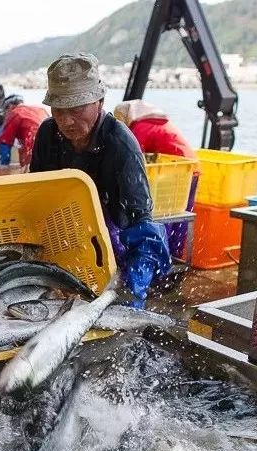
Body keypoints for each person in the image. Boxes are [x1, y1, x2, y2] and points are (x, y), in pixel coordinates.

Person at [29, 53, 170, 308]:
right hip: (63, 238)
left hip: (113, 245)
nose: (66, 120)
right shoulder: (48, 133)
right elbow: (36, 195)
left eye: (77, 108)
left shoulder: (120, 144)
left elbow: (141, 224)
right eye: (59, 109)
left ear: (100, 101)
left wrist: (132, 289)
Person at [115, 99, 197, 261]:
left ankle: (159, 256)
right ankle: (174, 253)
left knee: (164, 215)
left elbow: (131, 157)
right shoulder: (155, 122)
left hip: (177, 171)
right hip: (189, 169)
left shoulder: (139, 128)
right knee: (180, 214)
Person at [0, 94, 49, 170]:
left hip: (32, 145)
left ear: (10, 106)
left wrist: (4, 166)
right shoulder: (40, 109)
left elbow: (5, 141)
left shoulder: (15, 113)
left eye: (6, 110)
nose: (6, 113)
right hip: (50, 144)